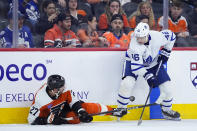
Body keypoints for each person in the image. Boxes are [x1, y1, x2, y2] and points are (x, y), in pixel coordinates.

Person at [114, 22, 181, 121]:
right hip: (132, 62)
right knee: (127, 83)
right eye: (138, 37)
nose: (139, 40)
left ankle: (167, 110)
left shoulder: (157, 36)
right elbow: (136, 68)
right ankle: (121, 108)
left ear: (148, 34)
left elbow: (172, 36)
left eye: (142, 37)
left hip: (153, 62)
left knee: (167, 88)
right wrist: (148, 76)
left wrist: (166, 51)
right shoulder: (134, 46)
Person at [28, 74, 114, 125]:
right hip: (58, 114)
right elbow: (31, 119)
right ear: (55, 90)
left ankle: (113, 111)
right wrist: (49, 120)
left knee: (86, 107)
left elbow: (74, 102)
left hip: (65, 105)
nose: (64, 88)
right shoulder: (40, 100)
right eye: (62, 87)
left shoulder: (64, 90)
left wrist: (81, 111)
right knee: (74, 119)